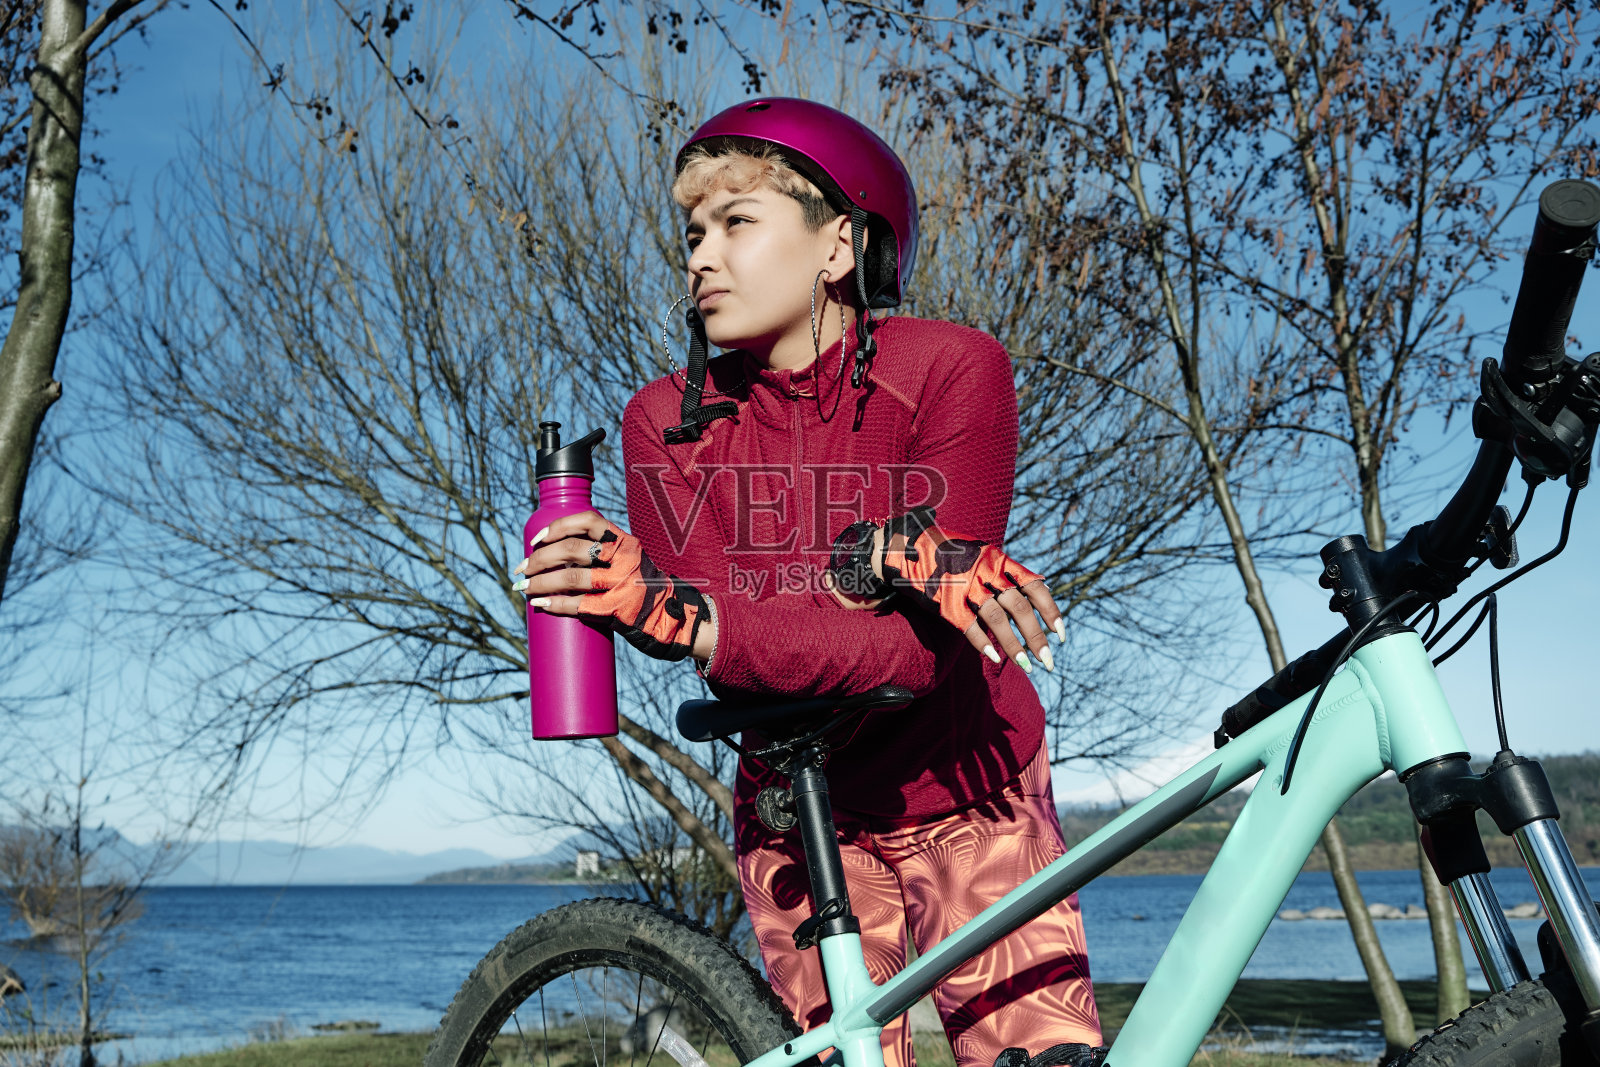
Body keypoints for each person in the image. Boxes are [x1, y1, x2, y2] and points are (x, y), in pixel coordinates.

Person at [512, 97, 1102, 1067]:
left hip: (968, 781)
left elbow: (910, 657)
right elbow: (738, 659)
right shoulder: (664, 420)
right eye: (692, 232)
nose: (700, 256)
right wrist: (687, 602)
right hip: (793, 804)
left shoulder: (951, 368)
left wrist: (749, 599)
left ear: (840, 244)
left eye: (736, 221)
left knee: (1036, 1060)